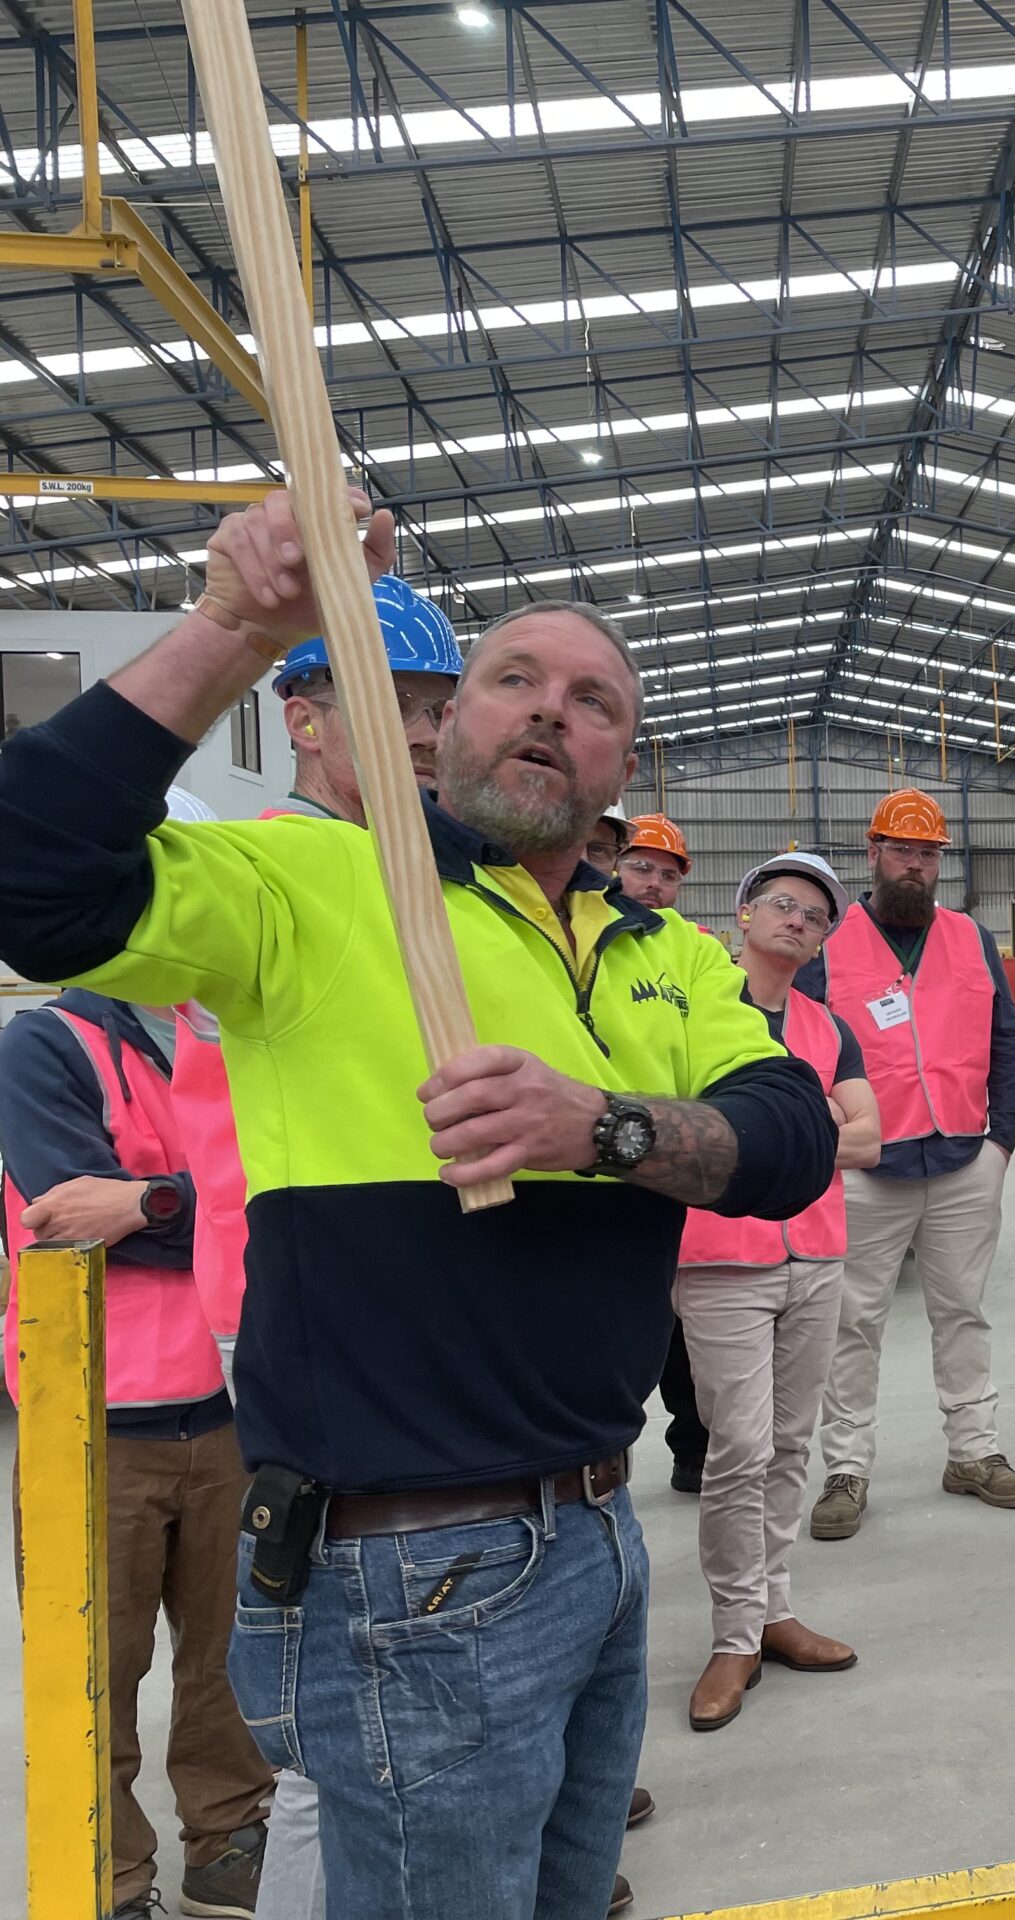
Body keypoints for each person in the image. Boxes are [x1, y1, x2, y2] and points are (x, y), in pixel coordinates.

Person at [0, 487, 837, 1920]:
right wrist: (233, 628)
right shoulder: (314, 882)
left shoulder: (661, 950)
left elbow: (790, 1141)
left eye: (592, 701)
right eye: (514, 677)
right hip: (409, 1565)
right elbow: (32, 874)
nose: (548, 712)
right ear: (444, 722)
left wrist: (602, 1126)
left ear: (621, 759)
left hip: (599, 1526)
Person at [161, 594, 465, 1920]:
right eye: (400, 706)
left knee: (423, 1664)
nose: (430, 736)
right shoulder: (267, 872)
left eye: (440, 709)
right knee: (341, 1710)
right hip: (309, 1322)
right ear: (301, 716)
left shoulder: (405, 872)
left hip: (398, 1313)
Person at [0, 967, 272, 1920]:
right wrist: (193, 1206)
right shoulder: (44, 1047)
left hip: (235, 1399)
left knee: (233, 1654)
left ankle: (227, 1836)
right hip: (94, 1416)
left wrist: (146, 1201)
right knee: (92, 1670)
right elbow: (65, 1210)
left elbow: (283, 1192)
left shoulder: (233, 1034)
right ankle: (107, 1879)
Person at [675, 850, 880, 1733]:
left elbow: (871, 1138)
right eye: (783, 905)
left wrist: (759, 1145)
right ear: (744, 916)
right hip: (721, 1259)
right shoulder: (693, 1015)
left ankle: (774, 1611)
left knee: (792, 1445)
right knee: (740, 1449)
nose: (798, 920)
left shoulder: (829, 1028)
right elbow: (678, 1135)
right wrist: (812, 1129)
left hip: (817, 1255)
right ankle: (732, 1635)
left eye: (816, 914)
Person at [809, 788, 1015, 1534]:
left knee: (963, 1313)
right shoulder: (829, 943)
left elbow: (1006, 1038)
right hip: (866, 1169)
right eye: (902, 850)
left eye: (929, 853)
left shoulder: (969, 937)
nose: (915, 864)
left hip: (965, 1158)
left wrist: (1002, 1139)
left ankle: (974, 1452)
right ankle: (846, 1469)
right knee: (852, 1322)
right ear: (873, 853)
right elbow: (798, 1051)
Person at [612, 811, 711, 1490]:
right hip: (590, 1160)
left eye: (666, 874)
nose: (652, 884)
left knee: (680, 1327)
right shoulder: (578, 936)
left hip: (668, 1159)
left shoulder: (691, 948)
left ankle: (692, 1447)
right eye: (641, 867)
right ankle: (598, 1460)